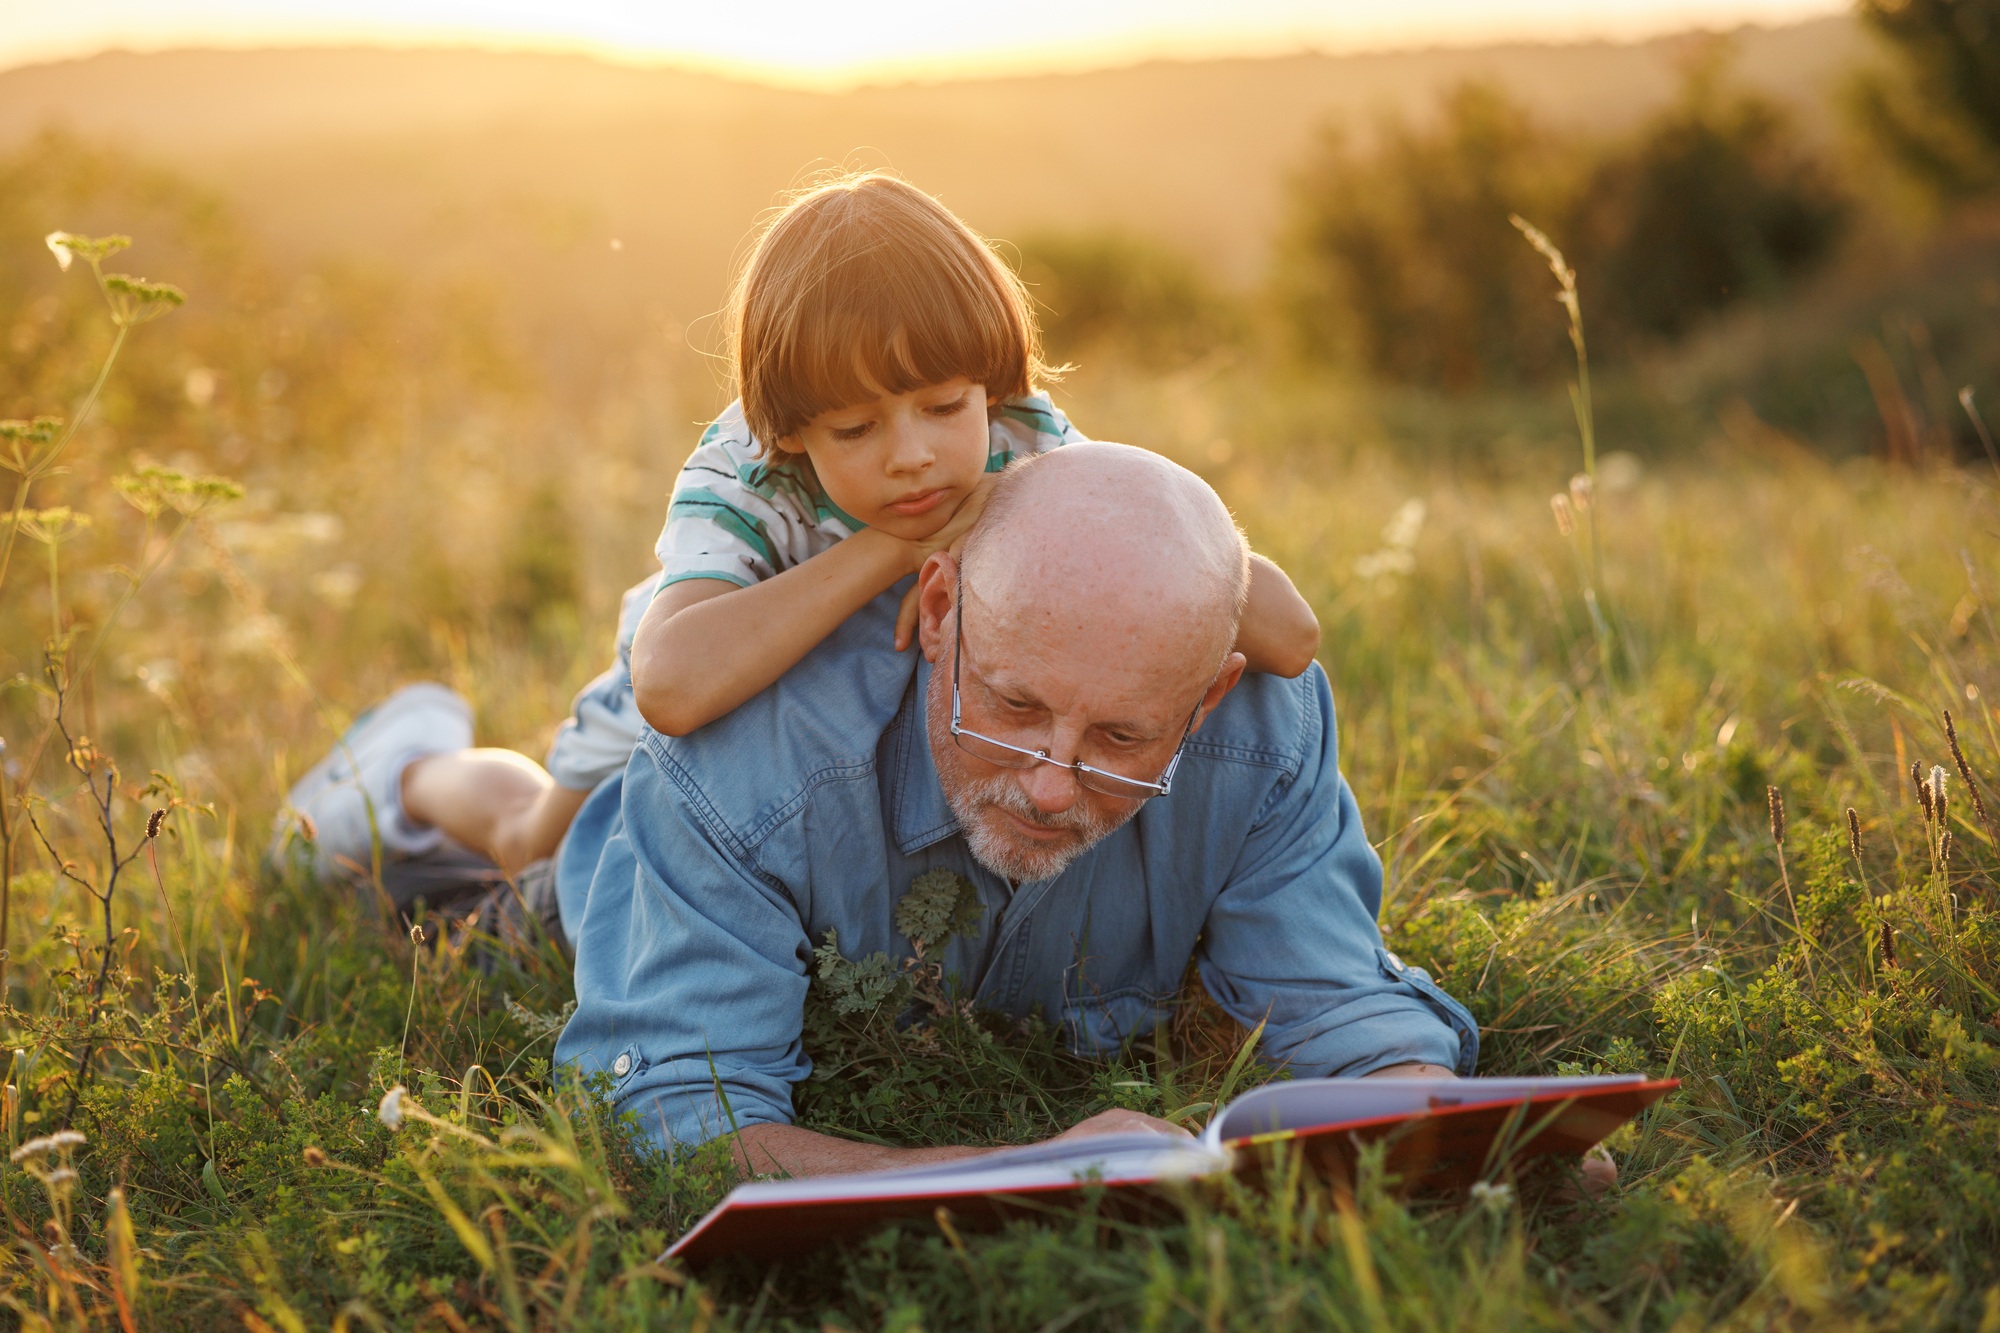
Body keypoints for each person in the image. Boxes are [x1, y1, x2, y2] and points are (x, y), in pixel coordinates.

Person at [277, 172, 1320, 892]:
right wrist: (896, 548)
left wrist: (1053, 499)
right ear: (788, 432)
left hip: (864, 719)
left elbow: (1286, 632)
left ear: (988, 385)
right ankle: (404, 768)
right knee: (527, 842)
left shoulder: (1014, 438)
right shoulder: (745, 472)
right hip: (721, 665)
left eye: (942, 405)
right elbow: (675, 687)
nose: (912, 453)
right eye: (857, 428)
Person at [554, 443, 1481, 1177]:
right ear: (941, 606)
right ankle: (418, 760)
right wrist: (1024, 1170)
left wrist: (1475, 1139)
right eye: (1014, 707)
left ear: (1206, 697)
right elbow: (671, 1123)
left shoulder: (1263, 731)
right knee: (499, 850)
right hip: (601, 846)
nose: (1050, 784)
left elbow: (1339, 1009)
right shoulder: (746, 768)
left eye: (1122, 738)